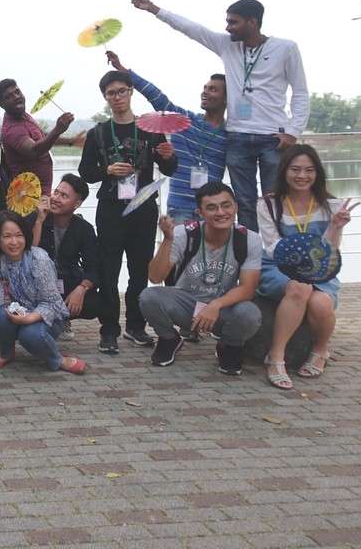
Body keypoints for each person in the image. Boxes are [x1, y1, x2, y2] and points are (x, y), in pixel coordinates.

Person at [129, 0, 309, 231]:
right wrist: (154, 9)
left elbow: (300, 92)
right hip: (237, 136)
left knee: (274, 200)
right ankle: (251, 254)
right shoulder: (227, 45)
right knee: (244, 202)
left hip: (273, 138)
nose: (228, 27)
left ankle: (278, 255)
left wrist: (293, 131)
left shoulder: (286, 48)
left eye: (233, 22)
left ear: (252, 22)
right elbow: (193, 29)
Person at [79, 70, 178, 355]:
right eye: (111, 93)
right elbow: (86, 172)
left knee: (139, 271)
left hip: (144, 208)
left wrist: (171, 156)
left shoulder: (150, 129)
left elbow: (170, 169)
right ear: (105, 97)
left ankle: (136, 326)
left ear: (131, 91)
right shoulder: (98, 132)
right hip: (111, 208)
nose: (117, 97)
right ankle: (109, 330)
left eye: (122, 91)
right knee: (109, 271)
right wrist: (107, 170)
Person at [255, 145, 358, 390]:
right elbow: (272, 246)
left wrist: (335, 227)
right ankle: (276, 357)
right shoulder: (268, 204)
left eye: (309, 170)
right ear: (284, 171)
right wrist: (301, 271)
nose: (302, 176)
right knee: (300, 289)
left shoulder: (332, 205)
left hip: (320, 267)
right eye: (296, 169)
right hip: (279, 266)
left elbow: (330, 251)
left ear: (317, 173)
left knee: (321, 302)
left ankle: (320, 350)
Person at [143, 182, 263, 375]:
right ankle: (168, 339)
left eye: (226, 205)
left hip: (223, 306)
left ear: (235, 207)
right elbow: (155, 277)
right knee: (149, 297)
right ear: (200, 213)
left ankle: (228, 347)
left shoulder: (250, 239)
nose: (221, 212)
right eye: (211, 208)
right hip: (187, 303)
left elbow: (248, 288)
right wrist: (167, 240)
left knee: (250, 313)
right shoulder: (183, 233)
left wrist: (216, 305)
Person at [107, 51, 228, 222]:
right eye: (205, 88)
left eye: (213, 90)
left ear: (227, 100)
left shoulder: (232, 134)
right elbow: (158, 98)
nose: (205, 93)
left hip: (212, 208)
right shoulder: (184, 120)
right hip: (180, 207)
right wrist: (123, 70)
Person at [0, 212, 85, 374]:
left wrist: (29, 318)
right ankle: (6, 352)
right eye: (6, 236)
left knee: (30, 335)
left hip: (48, 317)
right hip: (19, 311)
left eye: (19, 235)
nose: (14, 242)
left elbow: (53, 304)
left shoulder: (38, 259)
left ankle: (57, 359)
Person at [30, 174, 102, 342]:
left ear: (77, 204)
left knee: (94, 302)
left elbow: (93, 268)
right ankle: (38, 319)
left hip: (65, 280)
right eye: (56, 192)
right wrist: (39, 221)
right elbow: (27, 255)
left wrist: (81, 289)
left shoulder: (84, 229)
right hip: (36, 280)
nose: (55, 198)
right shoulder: (36, 217)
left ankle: (61, 319)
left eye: (64, 196)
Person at [0, 78, 76, 192]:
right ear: (1, 105)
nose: (16, 97)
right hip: (28, 197)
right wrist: (57, 129)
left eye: (17, 92)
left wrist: (71, 141)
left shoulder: (24, 116)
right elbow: (34, 151)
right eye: (9, 96)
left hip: (42, 192)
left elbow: (42, 136)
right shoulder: (12, 129)